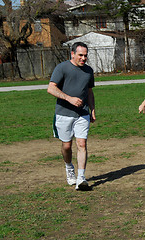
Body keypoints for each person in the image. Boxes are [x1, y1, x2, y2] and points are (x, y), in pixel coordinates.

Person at [47, 42, 96, 191]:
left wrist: (92, 109)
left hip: (82, 113)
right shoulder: (62, 68)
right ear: (72, 54)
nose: (83, 58)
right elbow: (51, 88)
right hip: (63, 113)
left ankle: (81, 177)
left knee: (81, 144)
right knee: (66, 146)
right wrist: (69, 99)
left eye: (85, 55)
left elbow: (89, 92)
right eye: (80, 55)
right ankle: (69, 167)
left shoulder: (88, 71)